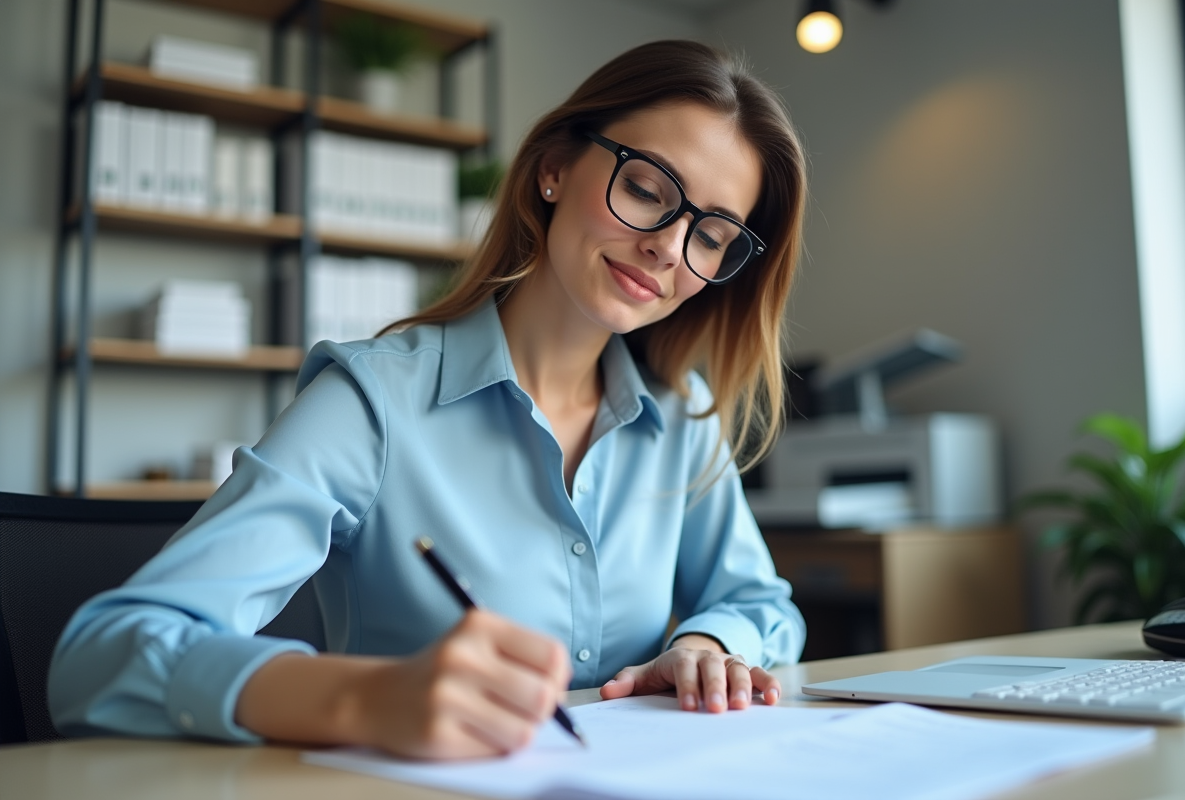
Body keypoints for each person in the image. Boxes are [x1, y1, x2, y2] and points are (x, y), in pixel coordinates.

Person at [48, 39, 807, 761]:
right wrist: (365, 698)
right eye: (646, 189)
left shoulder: (682, 416)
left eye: (711, 236)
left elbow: (763, 605)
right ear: (553, 168)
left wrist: (706, 648)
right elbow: (102, 655)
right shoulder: (376, 398)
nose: (670, 249)